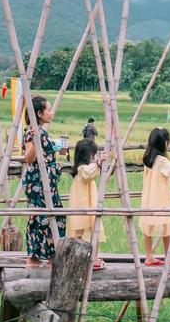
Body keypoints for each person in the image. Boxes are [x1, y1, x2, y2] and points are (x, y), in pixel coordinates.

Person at [21, 94, 65, 268]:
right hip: (37, 184)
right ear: (39, 113)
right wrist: (34, 140)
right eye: (48, 109)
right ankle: (34, 257)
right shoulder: (32, 132)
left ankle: (51, 256)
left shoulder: (42, 131)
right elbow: (28, 158)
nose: (51, 112)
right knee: (40, 218)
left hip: (48, 184)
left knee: (55, 216)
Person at [140, 126, 170, 267]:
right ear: (165, 143)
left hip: (149, 198)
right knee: (167, 225)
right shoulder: (161, 160)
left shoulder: (148, 159)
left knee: (148, 226)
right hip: (160, 198)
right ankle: (169, 255)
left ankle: (149, 256)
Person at [67, 137, 106, 270]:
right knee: (80, 233)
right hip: (82, 206)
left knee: (92, 230)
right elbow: (90, 173)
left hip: (88, 205)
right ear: (88, 155)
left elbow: (98, 173)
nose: (94, 157)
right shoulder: (82, 169)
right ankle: (84, 258)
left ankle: (92, 257)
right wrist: (98, 163)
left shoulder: (87, 168)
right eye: (93, 154)